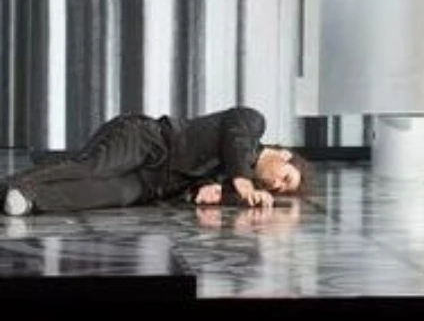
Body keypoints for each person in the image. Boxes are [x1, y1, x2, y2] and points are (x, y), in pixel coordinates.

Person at [1, 105, 310, 216]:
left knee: (110, 195)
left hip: (151, 183)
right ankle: (14, 184)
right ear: (284, 155)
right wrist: (243, 182)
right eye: (286, 176)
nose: (276, 184)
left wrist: (200, 191)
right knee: (93, 166)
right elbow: (235, 136)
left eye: (281, 189)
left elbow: (194, 178)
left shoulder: (232, 182)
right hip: (147, 140)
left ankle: (27, 201)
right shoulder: (253, 122)